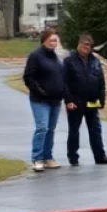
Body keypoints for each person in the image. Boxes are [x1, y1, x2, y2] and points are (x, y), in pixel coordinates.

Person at [64, 33, 107, 167]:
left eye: (89, 45)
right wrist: (68, 100)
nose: (87, 48)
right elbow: (65, 83)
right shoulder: (69, 61)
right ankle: (73, 157)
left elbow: (101, 81)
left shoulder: (95, 61)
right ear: (79, 45)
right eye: (84, 45)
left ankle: (100, 155)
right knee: (74, 130)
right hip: (76, 101)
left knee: (95, 129)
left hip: (92, 100)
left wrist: (102, 99)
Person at [22, 29, 65, 172]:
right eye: (52, 40)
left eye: (56, 40)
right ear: (44, 40)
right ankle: (37, 158)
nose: (54, 43)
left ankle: (48, 157)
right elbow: (28, 77)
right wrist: (39, 91)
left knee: (51, 130)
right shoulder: (36, 56)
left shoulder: (56, 57)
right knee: (42, 128)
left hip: (56, 100)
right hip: (40, 100)